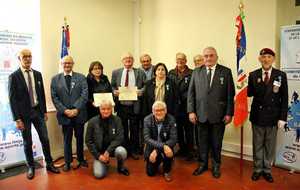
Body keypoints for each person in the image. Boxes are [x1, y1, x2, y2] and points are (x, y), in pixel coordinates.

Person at [8, 49, 60, 179]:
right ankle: (31, 167)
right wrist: (17, 119)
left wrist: (44, 111)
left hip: (38, 112)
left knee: (45, 139)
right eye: (24, 56)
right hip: (23, 115)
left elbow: (41, 94)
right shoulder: (14, 76)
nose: (27, 58)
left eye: (29, 56)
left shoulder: (37, 74)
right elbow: (12, 99)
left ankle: (49, 164)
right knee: (27, 141)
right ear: (19, 59)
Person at [187, 47, 235, 178]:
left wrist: (229, 113)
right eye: (206, 56)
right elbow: (191, 94)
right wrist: (191, 111)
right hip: (200, 114)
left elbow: (230, 94)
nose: (208, 58)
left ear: (216, 57)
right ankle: (202, 165)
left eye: (211, 55)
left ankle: (216, 166)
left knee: (216, 143)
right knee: (202, 143)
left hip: (219, 115)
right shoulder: (197, 72)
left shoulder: (225, 72)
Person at [248, 48, 288, 183]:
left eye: (269, 57)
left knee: (269, 146)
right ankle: (257, 169)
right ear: (259, 59)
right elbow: (249, 93)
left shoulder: (280, 75)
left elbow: (284, 97)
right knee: (257, 144)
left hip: (273, 117)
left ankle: (267, 170)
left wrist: (283, 117)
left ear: (273, 59)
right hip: (257, 116)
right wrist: (240, 85)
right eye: (263, 57)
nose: (266, 59)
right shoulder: (253, 75)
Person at [51, 55, 88, 171]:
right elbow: (54, 97)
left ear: (73, 64)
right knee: (67, 139)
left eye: (69, 63)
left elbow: (84, 95)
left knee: (79, 138)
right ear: (61, 64)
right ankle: (68, 162)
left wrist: (76, 109)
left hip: (79, 113)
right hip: (64, 115)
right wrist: (65, 110)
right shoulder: (55, 79)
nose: (67, 65)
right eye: (65, 63)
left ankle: (81, 159)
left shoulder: (81, 78)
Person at [111, 52, 146, 160]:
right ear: (122, 61)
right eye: (126, 59)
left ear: (133, 61)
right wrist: (114, 91)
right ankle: (125, 150)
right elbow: (112, 86)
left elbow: (146, 85)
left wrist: (142, 91)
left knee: (134, 129)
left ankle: (134, 150)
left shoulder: (140, 72)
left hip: (134, 105)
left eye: (130, 58)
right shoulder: (116, 72)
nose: (128, 60)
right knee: (123, 129)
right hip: (121, 106)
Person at [85, 99, 130, 179]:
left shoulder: (117, 120)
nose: (106, 111)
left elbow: (120, 138)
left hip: (112, 150)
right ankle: (103, 162)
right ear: (99, 109)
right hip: (100, 152)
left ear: (111, 109)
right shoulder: (92, 122)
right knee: (99, 175)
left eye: (108, 109)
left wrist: (108, 151)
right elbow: (88, 141)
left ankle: (121, 167)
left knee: (121, 152)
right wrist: (98, 156)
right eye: (103, 109)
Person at [168, 52, 194, 160]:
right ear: (175, 60)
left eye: (182, 59)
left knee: (188, 130)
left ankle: (190, 151)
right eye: (178, 59)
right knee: (177, 130)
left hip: (186, 106)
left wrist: (182, 97)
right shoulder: (171, 72)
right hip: (175, 107)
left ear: (186, 61)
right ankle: (181, 149)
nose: (180, 61)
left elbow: (192, 90)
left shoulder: (192, 73)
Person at [144, 101, 177, 182]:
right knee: (150, 173)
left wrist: (158, 150)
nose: (159, 112)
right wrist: (162, 147)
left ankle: (167, 170)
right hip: (152, 148)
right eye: (156, 110)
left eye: (162, 110)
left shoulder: (171, 119)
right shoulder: (147, 120)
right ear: (153, 111)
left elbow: (173, 139)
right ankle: (159, 160)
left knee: (169, 152)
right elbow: (147, 138)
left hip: (166, 148)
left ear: (165, 111)